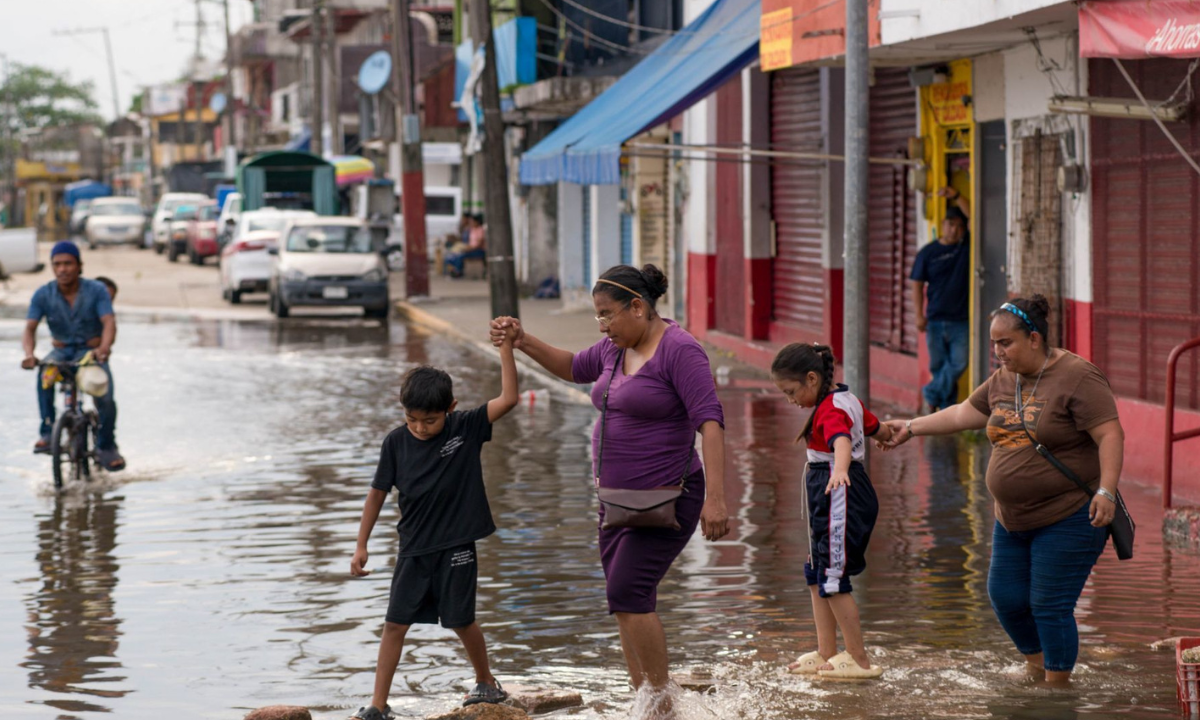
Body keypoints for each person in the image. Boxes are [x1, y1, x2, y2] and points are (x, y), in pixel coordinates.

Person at [489, 264, 730, 713]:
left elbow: (711, 423)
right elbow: (572, 366)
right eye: (597, 317)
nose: (602, 325)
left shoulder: (680, 351)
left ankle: (661, 703)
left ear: (637, 307)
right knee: (622, 601)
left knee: (629, 592)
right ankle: (644, 698)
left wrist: (715, 499)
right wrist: (523, 341)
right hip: (617, 501)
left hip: (670, 497)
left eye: (607, 315)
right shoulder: (613, 348)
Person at [878, 294, 1124, 685]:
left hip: (1068, 515)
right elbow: (964, 413)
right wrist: (911, 427)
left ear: (1034, 338)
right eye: (994, 343)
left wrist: (1106, 491)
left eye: (1005, 342)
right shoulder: (1003, 379)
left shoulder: (1078, 376)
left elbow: (1110, 433)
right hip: (1011, 519)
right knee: (1006, 599)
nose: (998, 352)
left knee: (1049, 605)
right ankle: (1037, 668)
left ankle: (1057, 693)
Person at [348, 327, 520, 720]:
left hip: (457, 545)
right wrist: (361, 544)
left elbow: (509, 398)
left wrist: (506, 348)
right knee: (395, 623)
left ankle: (486, 682)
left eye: (429, 420)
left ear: (451, 408)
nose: (420, 428)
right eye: (412, 419)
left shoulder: (465, 428)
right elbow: (377, 493)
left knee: (462, 620)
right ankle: (378, 704)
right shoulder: (395, 442)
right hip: (413, 549)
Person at [771, 343, 893, 679]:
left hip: (839, 492)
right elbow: (873, 426)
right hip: (826, 492)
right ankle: (827, 651)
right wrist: (886, 435)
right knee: (816, 570)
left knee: (833, 576)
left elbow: (841, 439)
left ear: (812, 378)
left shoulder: (830, 409)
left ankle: (858, 659)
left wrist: (840, 471)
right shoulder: (845, 398)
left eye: (792, 391)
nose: (790, 400)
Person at [21, 241, 124, 471]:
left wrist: (104, 349)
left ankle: (107, 446)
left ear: (79, 266)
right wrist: (29, 354)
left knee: (105, 395)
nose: (62, 269)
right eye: (57, 264)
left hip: (90, 354)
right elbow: (30, 328)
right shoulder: (43, 294)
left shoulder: (96, 291)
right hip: (60, 352)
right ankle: (47, 433)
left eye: (68, 263)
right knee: (44, 377)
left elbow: (109, 322)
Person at [911, 187, 971, 412]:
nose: (954, 229)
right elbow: (916, 284)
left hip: (960, 320)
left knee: (958, 363)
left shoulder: (964, 248)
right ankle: (947, 407)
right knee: (938, 366)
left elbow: (974, 218)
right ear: (943, 225)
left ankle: (930, 393)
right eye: (950, 224)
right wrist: (918, 315)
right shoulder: (928, 253)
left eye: (958, 225)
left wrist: (956, 196)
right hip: (934, 319)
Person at [52, 276, 117, 351]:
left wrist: (102, 343)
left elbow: (111, 335)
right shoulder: (75, 309)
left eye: (108, 300)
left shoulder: (108, 318)